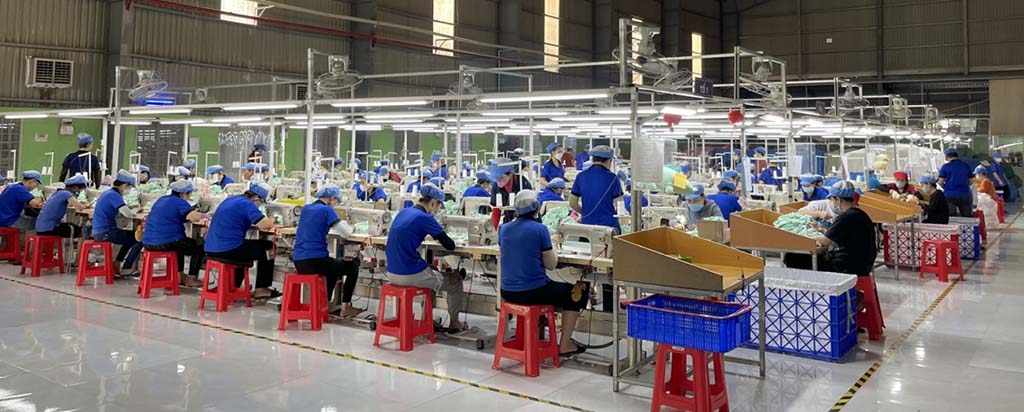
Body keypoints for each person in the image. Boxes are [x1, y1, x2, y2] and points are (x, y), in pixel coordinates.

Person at [499, 190, 588, 357]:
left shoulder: (504, 229)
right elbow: (551, 264)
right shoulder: (540, 229)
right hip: (533, 293)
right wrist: (553, 242)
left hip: (507, 292)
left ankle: (543, 326)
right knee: (577, 291)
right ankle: (565, 344)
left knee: (553, 288)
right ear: (537, 208)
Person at [385, 184, 465, 332]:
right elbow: (450, 245)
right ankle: (455, 323)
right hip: (408, 274)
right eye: (438, 207)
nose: (437, 211)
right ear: (433, 202)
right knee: (455, 280)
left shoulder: (403, 212)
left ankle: (426, 318)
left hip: (391, 272)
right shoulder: (425, 217)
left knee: (432, 269)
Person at [293, 185, 362, 317]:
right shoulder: (326, 210)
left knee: (332, 267)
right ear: (331, 198)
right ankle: (345, 306)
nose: (336, 204)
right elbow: (345, 233)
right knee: (353, 265)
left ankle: (326, 303)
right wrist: (352, 227)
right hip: (314, 261)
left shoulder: (306, 208)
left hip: (299, 260)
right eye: (336, 201)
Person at [203, 182, 280, 300]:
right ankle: (261, 289)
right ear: (255, 199)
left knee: (247, 247)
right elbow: (264, 225)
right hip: (228, 249)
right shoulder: (247, 204)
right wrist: (274, 218)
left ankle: (234, 285)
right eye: (261, 203)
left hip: (210, 247)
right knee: (269, 247)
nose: (259, 206)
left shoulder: (230, 200)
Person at [142, 180, 207, 287]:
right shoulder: (179, 202)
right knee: (199, 247)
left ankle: (179, 276)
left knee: (180, 244)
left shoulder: (162, 200)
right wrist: (205, 216)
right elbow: (194, 217)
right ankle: (191, 279)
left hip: (148, 242)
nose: (190, 197)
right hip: (166, 241)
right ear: (183, 194)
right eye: (189, 194)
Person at [809, 181, 877, 276]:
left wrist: (803, 238)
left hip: (848, 267)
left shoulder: (846, 217)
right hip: (863, 264)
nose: (833, 203)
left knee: (795, 259)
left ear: (838, 199)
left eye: (833, 200)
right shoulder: (861, 214)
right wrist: (821, 230)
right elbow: (835, 236)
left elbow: (825, 241)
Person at [91, 170, 143, 277]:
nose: (129, 190)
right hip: (105, 232)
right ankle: (126, 268)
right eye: (129, 187)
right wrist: (136, 210)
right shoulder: (114, 195)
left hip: (99, 230)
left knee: (129, 237)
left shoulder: (108, 193)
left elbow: (121, 208)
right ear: (124, 185)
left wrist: (131, 208)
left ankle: (118, 263)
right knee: (140, 238)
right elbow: (127, 214)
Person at [569, 146, 623, 232]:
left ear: (592, 159)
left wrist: (585, 213)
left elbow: (572, 203)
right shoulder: (613, 178)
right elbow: (620, 206)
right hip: (608, 227)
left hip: (587, 225)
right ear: (609, 160)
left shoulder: (581, 177)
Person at [35, 176, 90, 247]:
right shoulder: (66, 194)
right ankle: (79, 258)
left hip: (41, 228)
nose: (78, 191)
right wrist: (86, 204)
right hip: (50, 228)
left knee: (70, 226)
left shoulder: (57, 193)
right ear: (75, 187)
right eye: (79, 189)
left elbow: (70, 203)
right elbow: (79, 207)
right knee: (83, 232)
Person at [491, 158, 533, 223]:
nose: (498, 181)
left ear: (511, 174)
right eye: (496, 179)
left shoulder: (523, 184)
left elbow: (530, 210)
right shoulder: (496, 186)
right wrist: (494, 230)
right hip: (507, 220)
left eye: (501, 178)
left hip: (524, 221)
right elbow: (496, 211)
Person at [938, 148, 973, 217]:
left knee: (951, 217)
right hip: (964, 194)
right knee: (966, 217)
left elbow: (940, 182)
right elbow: (971, 181)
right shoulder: (965, 166)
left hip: (949, 195)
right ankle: (966, 227)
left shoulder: (945, 167)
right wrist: (964, 185)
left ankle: (953, 227)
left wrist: (946, 187)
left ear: (947, 157)